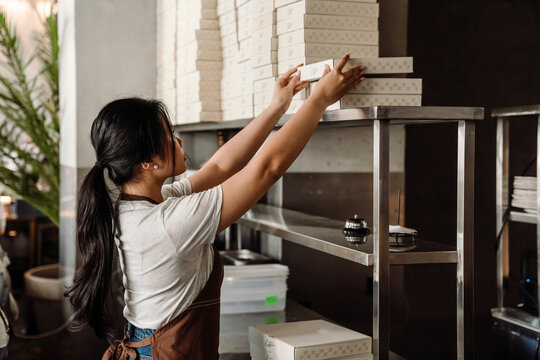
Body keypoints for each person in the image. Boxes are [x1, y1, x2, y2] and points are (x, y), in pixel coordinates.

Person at [65, 55, 365, 360]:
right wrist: (318, 101)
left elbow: (220, 166)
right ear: (147, 161)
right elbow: (267, 170)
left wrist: (277, 107)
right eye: (168, 135)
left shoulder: (144, 205)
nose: (178, 139)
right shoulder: (168, 222)